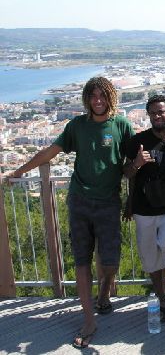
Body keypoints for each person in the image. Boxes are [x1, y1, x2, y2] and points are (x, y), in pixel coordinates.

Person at [9, 77, 134, 348]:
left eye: (102, 95)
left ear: (110, 97)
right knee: (81, 261)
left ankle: (103, 294)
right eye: (92, 96)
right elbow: (49, 153)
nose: (97, 101)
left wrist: (133, 196)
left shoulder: (122, 125)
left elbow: (130, 164)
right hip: (79, 200)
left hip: (109, 202)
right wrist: (19, 171)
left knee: (110, 262)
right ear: (87, 99)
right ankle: (89, 319)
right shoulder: (77, 126)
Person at [123, 95, 165, 322]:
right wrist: (137, 163)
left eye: (161, 112)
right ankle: (163, 300)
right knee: (151, 260)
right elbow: (126, 173)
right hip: (143, 209)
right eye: (152, 113)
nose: (157, 116)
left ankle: (162, 287)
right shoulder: (138, 141)